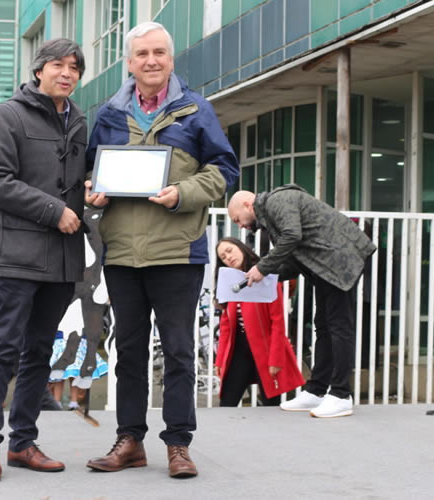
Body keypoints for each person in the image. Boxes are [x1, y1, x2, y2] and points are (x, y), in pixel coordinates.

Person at [84, 22, 239, 478]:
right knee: (128, 350)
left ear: (171, 59)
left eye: (159, 53)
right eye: (142, 54)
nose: (151, 61)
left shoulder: (196, 111)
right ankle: (129, 439)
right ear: (129, 63)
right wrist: (92, 191)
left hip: (177, 251)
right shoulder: (110, 114)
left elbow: (224, 169)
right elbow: (90, 173)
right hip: (122, 254)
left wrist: (183, 192)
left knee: (177, 350)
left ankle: (178, 444)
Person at [0, 38, 88, 482]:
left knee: (41, 351)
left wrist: (91, 191)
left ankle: (22, 442)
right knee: (2, 349)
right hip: (17, 256)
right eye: (58, 64)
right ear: (39, 69)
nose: (66, 73)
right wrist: (53, 211)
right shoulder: (8, 116)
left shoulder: (78, 120)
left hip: (62, 259)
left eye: (74, 67)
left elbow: (72, 180)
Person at [227, 185, 376, 418]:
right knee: (324, 327)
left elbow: (292, 237)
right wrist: (264, 275)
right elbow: (295, 257)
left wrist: (263, 268)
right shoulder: (273, 214)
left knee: (338, 328)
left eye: (237, 219)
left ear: (248, 205)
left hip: (339, 261)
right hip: (328, 265)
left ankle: (340, 394)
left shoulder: (276, 201)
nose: (240, 225)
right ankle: (316, 391)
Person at [213, 237, 305, 407]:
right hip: (238, 352)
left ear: (241, 248)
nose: (228, 257)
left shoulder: (266, 277)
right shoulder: (228, 283)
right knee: (226, 402)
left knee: (271, 404)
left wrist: (276, 359)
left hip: (266, 350)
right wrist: (219, 360)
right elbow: (225, 325)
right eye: (223, 257)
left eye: (230, 250)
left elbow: (278, 321)